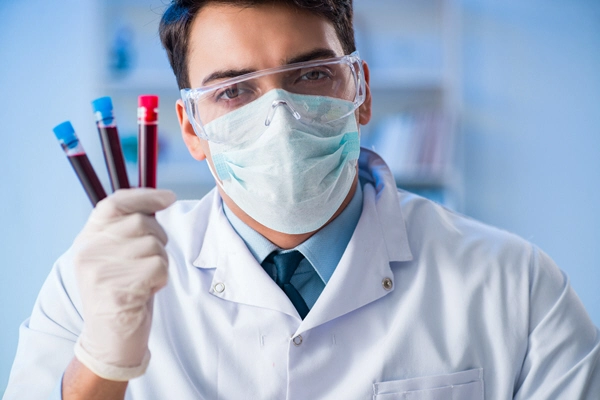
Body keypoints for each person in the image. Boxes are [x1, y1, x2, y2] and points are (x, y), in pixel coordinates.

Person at [4, 0, 600, 399]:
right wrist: (102, 363)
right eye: (234, 90)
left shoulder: (517, 283)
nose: (279, 117)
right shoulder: (92, 288)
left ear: (360, 90)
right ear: (190, 128)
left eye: (312, 75)